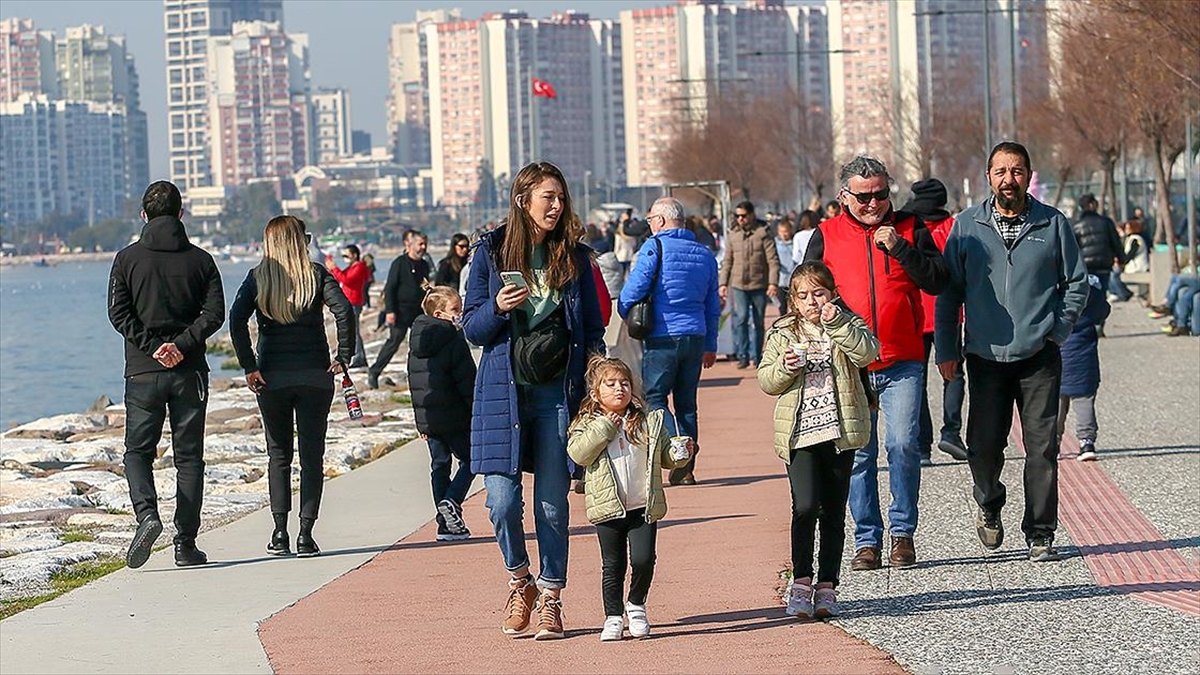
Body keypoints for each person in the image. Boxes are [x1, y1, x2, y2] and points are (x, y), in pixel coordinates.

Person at [462, 161, 606, 641]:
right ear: (523, 200)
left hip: (556, 396)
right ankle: (519, 579)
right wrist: (497, 308)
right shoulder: (490, 252)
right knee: (501, 503)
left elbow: (590, 330)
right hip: (503, 392)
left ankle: (550, 596)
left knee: (551, 504)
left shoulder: (576, 257)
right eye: (548, 197)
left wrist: (596, 379)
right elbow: (472, 327)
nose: (557, 205)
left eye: (561, 197)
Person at [935, 141, 1088, 563]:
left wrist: (1057, 330)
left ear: (1028, 175)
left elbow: (1077, 283)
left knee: (1042, 448)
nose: (1009, 179)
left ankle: (1040, 531)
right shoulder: (966, 226)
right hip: (984, 358)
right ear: (988, 177)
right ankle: (988, 501)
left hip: (1039, 356)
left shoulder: (1052, 223)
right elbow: (948, 294)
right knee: (983, 446)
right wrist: (946, 349)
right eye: (1000, 171)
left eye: (1017, 171)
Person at [803, 156, 947, 570]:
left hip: (903, 358)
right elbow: (802, 291)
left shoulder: (910, 228)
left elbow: (938, 279)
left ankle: (903, 534)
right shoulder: (825, 235)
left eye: (881, 194)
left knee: (903, 445)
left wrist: (901, 248)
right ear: (844, 196)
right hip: (849, 364)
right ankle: (867, 539)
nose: (873, 203)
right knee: (860, 455)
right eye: (864, 196)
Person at [107, 180, 224, 569]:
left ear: (143, 215)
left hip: (142, 372)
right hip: (189, 372)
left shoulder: (126, 260)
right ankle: (185, 544)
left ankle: (147, 515)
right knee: (189, 458)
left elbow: (118, 314)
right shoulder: (202, 261)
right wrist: (182, 345)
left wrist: (153, 347)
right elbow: (214, 315)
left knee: (138, 452)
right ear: (181, 214)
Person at [758, 260, 879, 618]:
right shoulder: (782, 332)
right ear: (793, 301)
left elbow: (867, 353)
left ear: (833, 294)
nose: (812, 301)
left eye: (819, 293)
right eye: (804, 296)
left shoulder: (847, 322)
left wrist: (837, 322)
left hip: (840, 431)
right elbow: (767, 381)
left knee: (833, 512)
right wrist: (785, 366)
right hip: (799, 433)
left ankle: (827, 585)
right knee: (806, 506)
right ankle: (801, 581)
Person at [229, 215, 354, 558]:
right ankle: (307, 534)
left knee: (279, 454)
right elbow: (343, 310)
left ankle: (280, 532)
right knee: (312, 456)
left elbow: (236, 320)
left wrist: (248, 366)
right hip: (315, 373)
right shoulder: (315, 274)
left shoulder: (257, 278)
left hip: (272, 376)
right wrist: (344, 356)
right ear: (300, 241)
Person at [567, 356, 689, 641]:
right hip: (608, 507)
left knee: (644, 559)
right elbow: (579, 453)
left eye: (624, 383)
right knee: (613, 564)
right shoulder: (586, 423)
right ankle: (612, 616)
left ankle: (636, 604)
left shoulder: (646, 421)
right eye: (610, 384)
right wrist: (605, 427)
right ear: (596, 394)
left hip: (642, 505)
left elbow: (664, 457)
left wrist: (680, 454)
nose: (619, 389)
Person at [618, 197, 720, 486]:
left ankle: (679, 443)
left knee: (655, 398)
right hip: (696, 334)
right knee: (687, 402)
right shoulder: (704, 254)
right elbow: (713, 305)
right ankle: (685, 468)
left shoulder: (655, 247)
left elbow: (635, 287)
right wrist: (711, 344)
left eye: (651, 219)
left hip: (662, 334)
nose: (649, 225)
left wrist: (624, 309)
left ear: (661, 221)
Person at [901, 178, 968, 465]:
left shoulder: (908, 229)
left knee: (917, 379)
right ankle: (951, 432)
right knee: (953, 374)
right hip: (949, 312)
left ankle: (922, 445)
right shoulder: (954, 227)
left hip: (915, 313)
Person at [407, 286, 477, 541]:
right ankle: (452, 500)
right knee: (472, 459)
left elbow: (414, 383)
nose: (460, 315)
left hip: (431, 419)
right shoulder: (453, 338)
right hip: (455, 415)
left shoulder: (416, 340)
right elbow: (466, 379)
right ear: (439, 314)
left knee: (439, 465)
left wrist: (420, 422)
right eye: (455, 310)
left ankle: (445, 524)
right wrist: (476, 410)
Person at [719, 200, 781, 369]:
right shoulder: (733, 234)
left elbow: (773, 260)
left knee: (758, 322)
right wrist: (723, 283)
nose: (740, 219)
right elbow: (728, 261)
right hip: (739, 284)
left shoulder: (763, 233)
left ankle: (757, 355)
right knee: (741, 319)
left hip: (759, 284)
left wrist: (772, 283)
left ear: (752, 215)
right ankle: (743, 355)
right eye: (737, 216)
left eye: (743, 216)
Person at [1058, 275, 1111, 461]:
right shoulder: (1089, 287)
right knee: (1084, 401)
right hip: (1084, 357)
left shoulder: (1054, 286)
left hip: (1059, 352)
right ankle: (1087, 441)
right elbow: (1103, 311)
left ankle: (1053, 443)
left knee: (1054, 404)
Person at [368, 231, 430, 389]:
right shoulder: (400, 263)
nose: (423, 247)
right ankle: (374, 372)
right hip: (400, 311)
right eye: (420, 244)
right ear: (411, 245)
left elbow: (424, 286)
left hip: (417, 311)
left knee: (422, 343)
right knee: (393, 342)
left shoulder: (424, 264)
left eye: (425, 244)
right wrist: (390, 311)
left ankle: (423, 376)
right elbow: (390, 288)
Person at [1072, 193, 1124, 326]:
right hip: (1103, 265)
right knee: (1101, 295)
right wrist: (1121, 259)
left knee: (1085, 295)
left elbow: (1072, 248)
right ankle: (1099, 324)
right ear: (1092, 205)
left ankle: (1087, 322)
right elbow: (1116, 243)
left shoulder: (1076, 225)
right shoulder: (1105, 222)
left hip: (1084, 267)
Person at [325, 244, 371, 368]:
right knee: (352, 330)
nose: (344, 258)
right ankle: (358, 356)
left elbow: (346, 280)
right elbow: (339, 277)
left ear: (354, 255)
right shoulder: (352, 267)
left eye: (346, 255)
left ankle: (359, 357)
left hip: (354, 301)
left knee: (354, 331)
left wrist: (334, 267)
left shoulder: (359, 267)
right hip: (350, 301)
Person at [774, 219, 797, 314]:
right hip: (780, 280)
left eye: (786, 231)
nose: (784, 234)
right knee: (782, 307)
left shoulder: (795, 243)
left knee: (795, 307)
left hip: (793, 279)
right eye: (781, 232)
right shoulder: (775, 244)